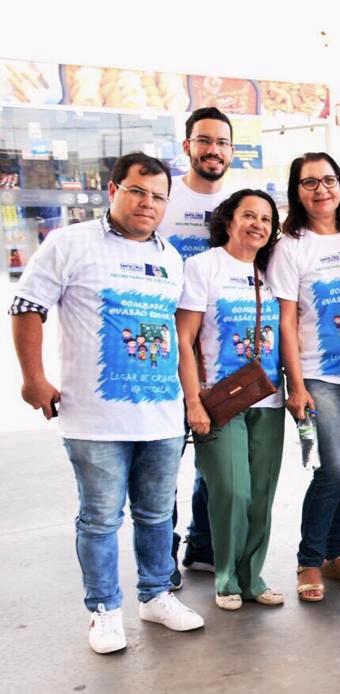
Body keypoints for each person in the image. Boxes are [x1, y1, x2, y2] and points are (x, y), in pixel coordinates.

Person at [11, 151, 204, 652]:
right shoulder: (70, 243)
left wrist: (190, 400)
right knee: (99, 519)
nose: (148, 204)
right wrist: (34, 379)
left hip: (161, 416)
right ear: (114, 190)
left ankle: (156, 595)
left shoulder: (170, 257)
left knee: (157, 515)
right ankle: (104, 610)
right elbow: (27, 306)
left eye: (158, 197)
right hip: (95, 420)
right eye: (138, 191)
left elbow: (177, 334)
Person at [268, 153, 340, 603]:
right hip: (318, 375)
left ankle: (335, 553)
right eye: (309, 182)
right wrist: (295, 385)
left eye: (328, 180)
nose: (321, 190)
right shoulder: (290, 247)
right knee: (332, 467)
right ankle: (309, 559)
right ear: (296, 191)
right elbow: (286, 321)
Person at [177, 190, 286, 611]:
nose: (258, 225)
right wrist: (193, 401)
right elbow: (185, 339)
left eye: (266, 219)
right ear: (228, 221)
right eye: (249, 215)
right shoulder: (203, 267)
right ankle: (226, 580)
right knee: (232, 492)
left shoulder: (271, 271)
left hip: (267, 398)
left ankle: (252, 577)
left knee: (261, 496)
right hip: (219, 400)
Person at [160, 106, 236, 586]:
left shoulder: (240, 203)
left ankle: (204, 543)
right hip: (164, 350)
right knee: (165, 459)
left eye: (222, 142)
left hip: (220, 355)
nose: (213, 150)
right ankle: (161, 555)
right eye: (204, 140)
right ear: (187, 145)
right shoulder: (164, 196)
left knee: (215, 458)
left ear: (232, 150)